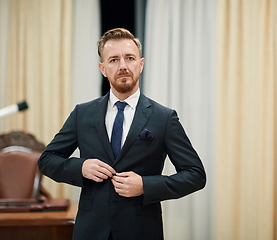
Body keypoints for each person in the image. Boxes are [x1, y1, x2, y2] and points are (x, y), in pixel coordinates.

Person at [38, 28, 206, 240]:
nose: (123, 66)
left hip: (142, 230)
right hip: (90, 231)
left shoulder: (164, 118)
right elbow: (46, 160)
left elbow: (195, 174)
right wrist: (81, 167)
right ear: (103, 68)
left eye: (129, 58)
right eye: (114, 60)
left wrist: (146, 185)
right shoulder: (82, 113)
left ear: (141, 64)